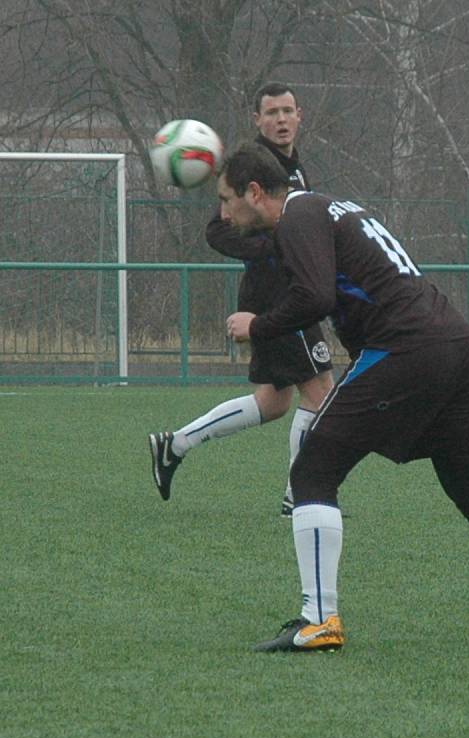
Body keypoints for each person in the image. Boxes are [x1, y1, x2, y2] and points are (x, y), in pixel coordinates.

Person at [220, 143, 469, 653]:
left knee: (312, 470)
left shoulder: (297, 216)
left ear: (256, 193)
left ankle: (318, 620)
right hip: (453, 341)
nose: (223, 211)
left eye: (227, 199)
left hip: (406, 347)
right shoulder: (325, 206)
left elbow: (316, 297)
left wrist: (258, 325)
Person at [148, 83, 333, 516]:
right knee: (321, 393)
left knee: (273, 402)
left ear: (300, 116)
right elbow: (217, 230)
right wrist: (276, 248)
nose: (281, 120)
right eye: (272, 113)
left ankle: (175, 445)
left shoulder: (291, 165)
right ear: (257, 120)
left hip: (280, 293)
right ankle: (300, 496)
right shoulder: (254, 165)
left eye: (288, 111)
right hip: (280, 297)